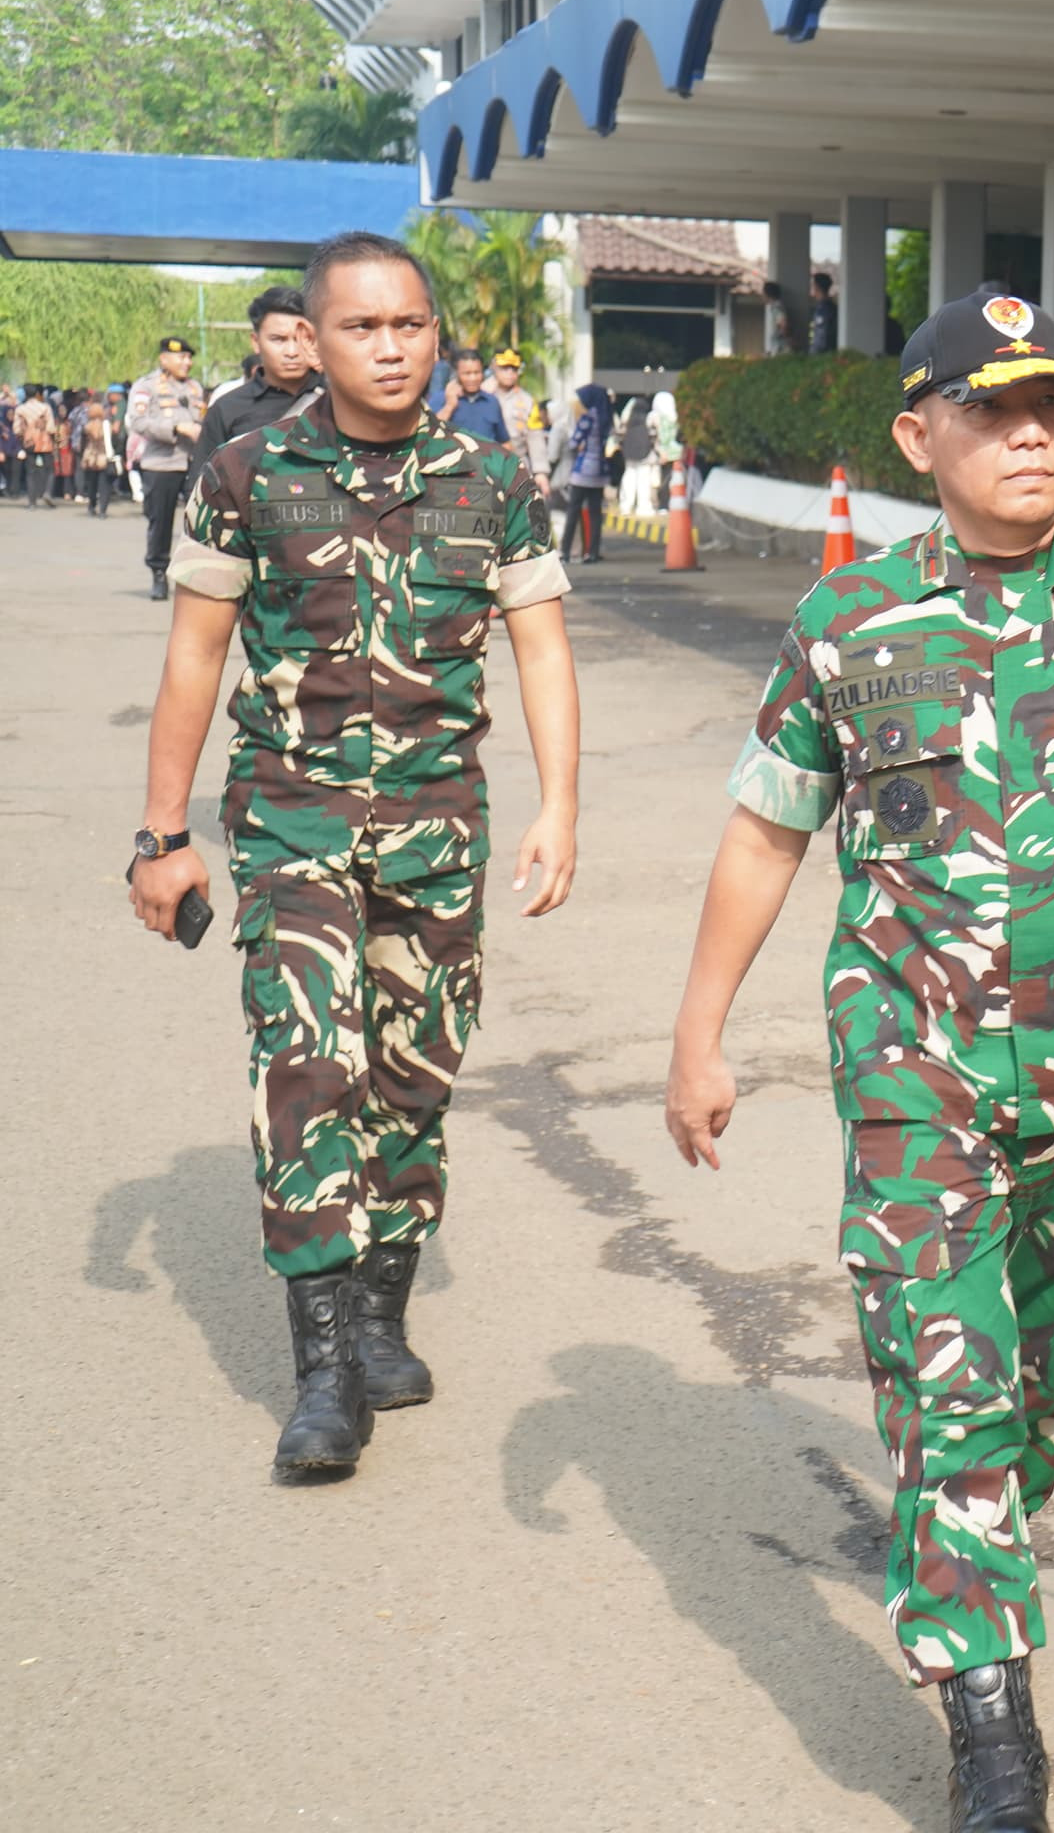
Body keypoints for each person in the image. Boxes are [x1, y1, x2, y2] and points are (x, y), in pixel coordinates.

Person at [661, 285, 1054, 1833]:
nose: (1032, 435)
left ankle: (978, 1539)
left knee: (1051, 1369)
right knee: (950, 1377)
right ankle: (989, 1705)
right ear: (918, 433)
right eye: (993, 409)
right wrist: (699, 1031)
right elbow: (767, 830)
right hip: (913, 1070)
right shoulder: (850, 621)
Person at [132, 229, 580, 1479]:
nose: (391, 348)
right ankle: (323, 1367)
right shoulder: (245, 473)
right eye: (362, 327)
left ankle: (383, 1307)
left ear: (436, 335)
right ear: (312, 341)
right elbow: (192, 659)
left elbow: (540, 648)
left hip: (440, 827)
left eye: (411, 326)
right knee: (306, 1066)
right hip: (293, 820)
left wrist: (561, 807)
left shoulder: (492, 480)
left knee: (413, 1073)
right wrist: (163, 836)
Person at [183, 287, 323, 535]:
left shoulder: (342, 400)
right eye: (278, 340)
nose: (292, 352)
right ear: (255, 342)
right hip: (255, 550)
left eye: (301, 339)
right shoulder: (227, 409)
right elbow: (201, 489)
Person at [126, 336, 209, 598]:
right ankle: (159, 573)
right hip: (161, 463)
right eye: (181, 357)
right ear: (164, 359)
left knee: (201, 520)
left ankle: (200, 576)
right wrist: (175, 428)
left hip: (194, 462)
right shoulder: (146, 386)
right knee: (160, 522)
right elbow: (138, 422)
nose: (187, 362)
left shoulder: (195, 388)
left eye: (188, 357)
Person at [557, 383, 615, 565]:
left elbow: (574, 443)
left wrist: (579, 444)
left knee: (573, 512)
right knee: (595, 514)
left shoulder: (587, 418)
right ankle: (593, 552)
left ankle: (565, 551)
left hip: (582, 472)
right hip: (599, 472)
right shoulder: (606, 419)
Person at [488, 349, 553, 489]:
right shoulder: (483, 394)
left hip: (517, 462)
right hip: (486, 462)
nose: (510, 373)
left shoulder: (527, 401)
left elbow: (535, 436)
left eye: (514, 369)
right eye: (504, 368)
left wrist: (540, 472)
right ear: (494, 368)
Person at [442, 351, 508, 441]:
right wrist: (450, 406)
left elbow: (504, 442)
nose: (472, 378)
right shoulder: (442, 399)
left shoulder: (492, 402)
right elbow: (429, 434)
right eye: (467, 373)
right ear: (457, 374)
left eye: (477, 373)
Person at [77, 392, 120, 516]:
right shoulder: (107, 426)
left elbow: (82, 442)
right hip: (104, 457)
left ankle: (91, 506)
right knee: (104, 484)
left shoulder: (87, 426)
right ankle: (103, 509)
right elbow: (115, 441)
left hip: (90, 457)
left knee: (91, 483)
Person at [809, 270, 840, 354]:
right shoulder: (828, 306)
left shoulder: (824, 309)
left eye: (812, 285)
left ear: (816, 287)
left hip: (822, 356)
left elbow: (822, 338)